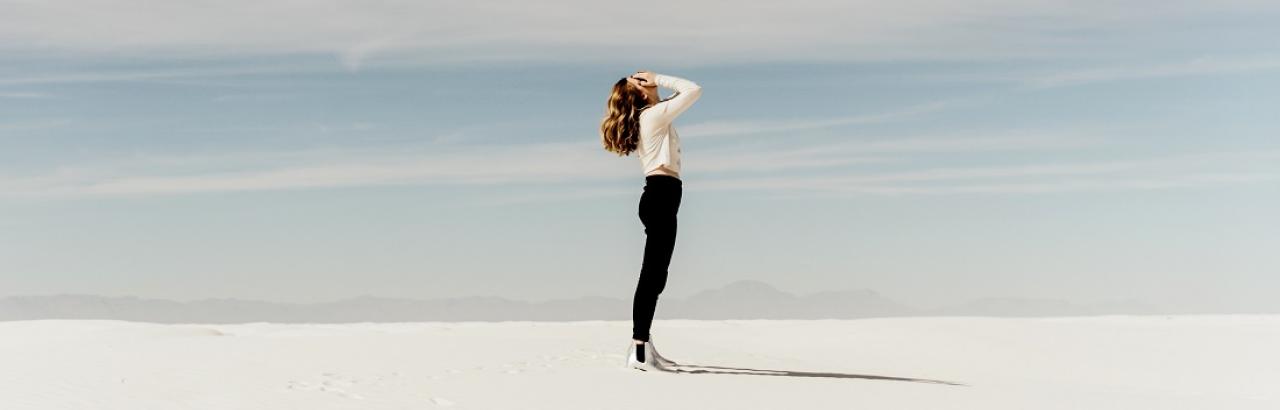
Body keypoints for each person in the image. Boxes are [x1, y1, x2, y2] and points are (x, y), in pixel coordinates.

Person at [599, 70, 702, 371]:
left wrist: (655, 86)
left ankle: (644, 345)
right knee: (652, 275)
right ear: (641, 93)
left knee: (656, 276)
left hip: (662, 196)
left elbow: (681, 96)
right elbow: (693, 89)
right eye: (640, 80)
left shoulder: (654, 114)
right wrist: (659, 76)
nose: (647, 80)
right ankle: (640, 351)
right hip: (661, 196)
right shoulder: (653, 116)